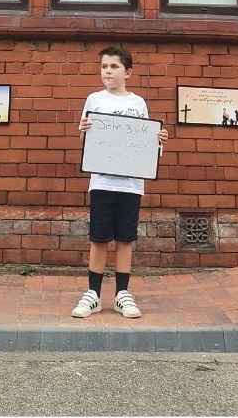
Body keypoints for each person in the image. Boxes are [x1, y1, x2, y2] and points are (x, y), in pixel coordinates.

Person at [72, 46, 167, 319]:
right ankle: (93, 294)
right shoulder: (94, 99)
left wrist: (158, 139)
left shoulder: (138, 103)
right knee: (99, 238)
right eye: (104, 67)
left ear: (128, 73)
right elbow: (84, 141)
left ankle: (122, 294)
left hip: (131, 184)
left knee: (125, 238)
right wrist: (83, 132)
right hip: (101, 182)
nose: (108, 71)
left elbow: (146, 142)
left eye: (114, 66)